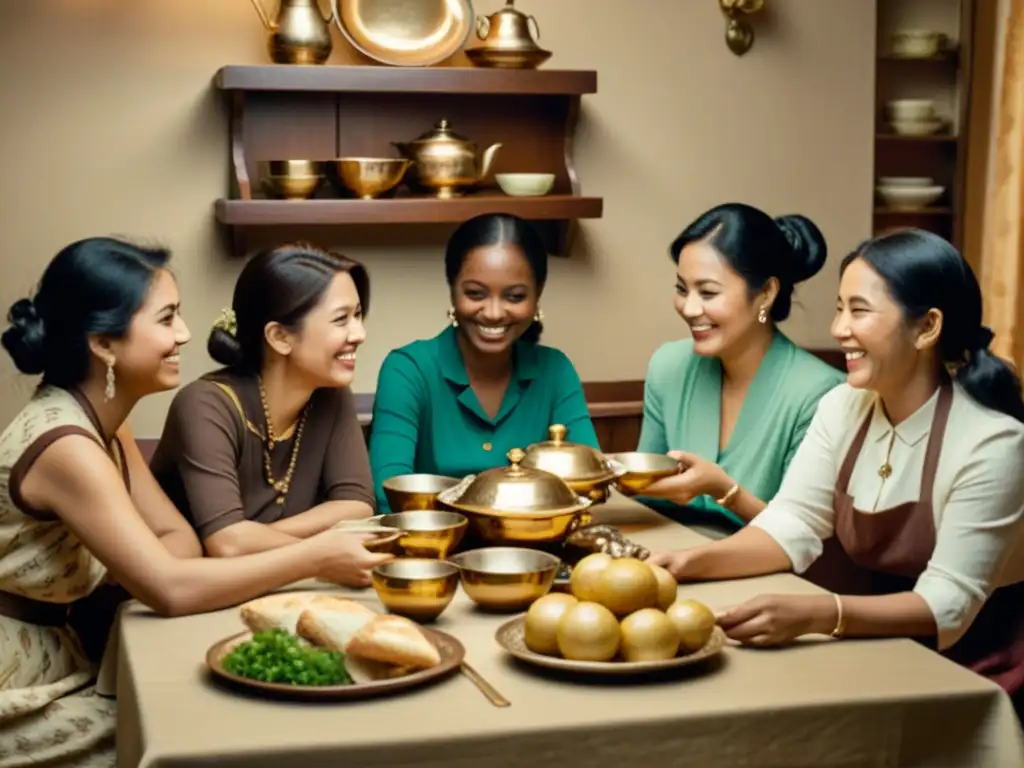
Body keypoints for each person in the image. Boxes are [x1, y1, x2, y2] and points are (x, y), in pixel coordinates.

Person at [0, 238, 391, 765]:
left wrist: (167, 571)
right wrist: (316, 557)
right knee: (193, 737)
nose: (185, 334)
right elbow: (172, 587)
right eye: (166, 319)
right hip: (16, 680)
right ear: (104, 344)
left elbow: (178, 546)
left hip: (62, 652)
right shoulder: (69, 447)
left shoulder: (103, 429)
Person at [650, 229, 1024, 714]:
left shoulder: (992, 444)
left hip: (973, 668)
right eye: (839, 307)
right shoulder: (843, 406)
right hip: (876, 645)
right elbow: (792, 524)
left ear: (927, 327)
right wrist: (683, 565)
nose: (838, 328)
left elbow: (947, 603)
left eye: (859, 310)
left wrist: (824, 613)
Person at [151, 243, 377, 557]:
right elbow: (227, 544)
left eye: (358, 315)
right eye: (341, 319)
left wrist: (253, 538)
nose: (359, 333)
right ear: (279, 337)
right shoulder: (205, 406)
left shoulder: (330, 393)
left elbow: (356, 505)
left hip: (287, 583)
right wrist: (320, 548)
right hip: (201, 593)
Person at [369, 213, 599, 513]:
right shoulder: (408, 370)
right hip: (432, 549)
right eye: (475, 294)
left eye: (514, 296)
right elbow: (390, 494)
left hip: (538, 549)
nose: (493, 312)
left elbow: (589, 482)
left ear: (537, 295)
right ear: (452, 289)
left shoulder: (555, 370)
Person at [637, 203, 844, 531]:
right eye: (681, 289)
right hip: (664, 559)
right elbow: (644, 497)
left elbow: (803, 537)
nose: (689, 308)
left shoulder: (820, 393)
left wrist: (724, 490)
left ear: (765, 293)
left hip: (766, 573)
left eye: (707, 292)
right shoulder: (669, 366)